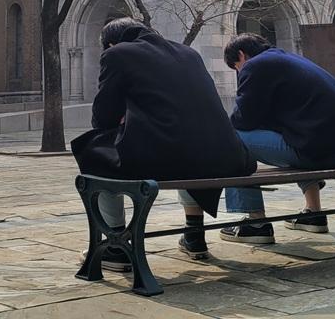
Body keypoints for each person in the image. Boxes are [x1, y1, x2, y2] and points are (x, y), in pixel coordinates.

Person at [71, 18, 255, 270]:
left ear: (111, 42)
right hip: (225, 155)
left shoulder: (117, 54)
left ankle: (116, 246)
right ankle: (194, 235)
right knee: (184, 147)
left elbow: (103, 118)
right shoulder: (189, 53)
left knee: (91, 149)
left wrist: (125, 112)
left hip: (172, 154)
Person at [219, 34, 335, 244]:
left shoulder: (255, 66)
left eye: (235, 67)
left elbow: (243, 120)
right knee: (296, 136)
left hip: (330, 151)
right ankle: (313, 214)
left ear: (241, 55)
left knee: (232, 139)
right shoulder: (287, 60)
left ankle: (256, 224)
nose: (238, 72)